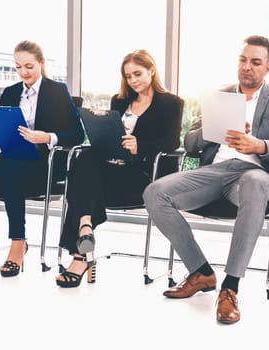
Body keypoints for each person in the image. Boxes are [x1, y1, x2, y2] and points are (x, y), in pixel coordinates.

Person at [143, 35, 269, 324]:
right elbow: (190, 144)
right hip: (215, 171)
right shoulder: (219, 95)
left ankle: (230, 288)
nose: (247, 67)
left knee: (254, 184)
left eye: (255, 62)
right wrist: (217, 127)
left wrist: (258, 145)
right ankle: (201, 271)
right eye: (243, 60)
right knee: (154, 193)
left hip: (255, 173)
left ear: (267, 67)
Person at [55, 49, 184, 288]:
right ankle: (84, 228)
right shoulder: (120, 100)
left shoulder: (171, 103)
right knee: (85, 156)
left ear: (151, 70)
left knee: (81, 181)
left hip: (141, 176)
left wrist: (140, 147)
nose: (133, 80)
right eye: (128, 76)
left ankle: (81, 253)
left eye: (137, 74)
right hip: (111, 170)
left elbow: (173, 142)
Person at [0, 40, 85, 277]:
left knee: (10, 173)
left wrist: (46, 137)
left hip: (45, 164)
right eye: (18, 67)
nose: (24, 72)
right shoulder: (11, 92)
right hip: (12, 158)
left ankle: (18, 243)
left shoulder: (57, 91)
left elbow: (77, 135)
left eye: (29, 66)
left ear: (41, 64)